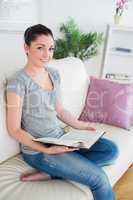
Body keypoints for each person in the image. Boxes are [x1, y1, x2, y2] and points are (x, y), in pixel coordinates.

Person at [6, 24, 118, 200]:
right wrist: (47, 150)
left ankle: (54, 173)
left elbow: (59, 109)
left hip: (60, 138)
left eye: (50, 48)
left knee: (111, 150)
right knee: (99, 179)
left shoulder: (54, 74)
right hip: (39, 151)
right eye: (40, 48)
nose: (47, 54)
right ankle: (53, 168)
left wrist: (82, 126)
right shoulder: (17, 83)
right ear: (26, 48)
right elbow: (14, 130)